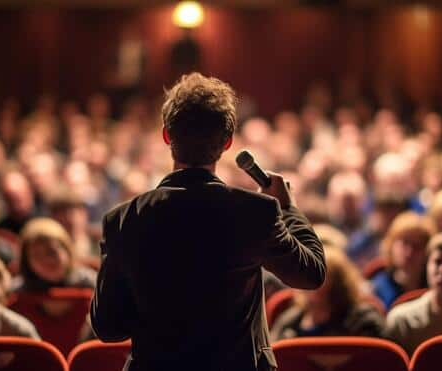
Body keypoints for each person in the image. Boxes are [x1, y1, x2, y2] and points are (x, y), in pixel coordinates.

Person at [91, 73, 326, 371]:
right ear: (227, 142)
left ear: (166, 136)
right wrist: (287, 208)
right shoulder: (255, 212)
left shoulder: (123, 219)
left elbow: (108, 327)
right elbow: (312, 274)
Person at [270, 239, 384, 340]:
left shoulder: (362, 320)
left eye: (322, 277)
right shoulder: (289, 322)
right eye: (307, 275)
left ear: (339, 282)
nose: (311, 283)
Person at [371, 212, 436, 309]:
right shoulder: (376, 289)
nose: (410, 252)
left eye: (417, 246)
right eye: (405, 243)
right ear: (391, 245)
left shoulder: (436, 288)